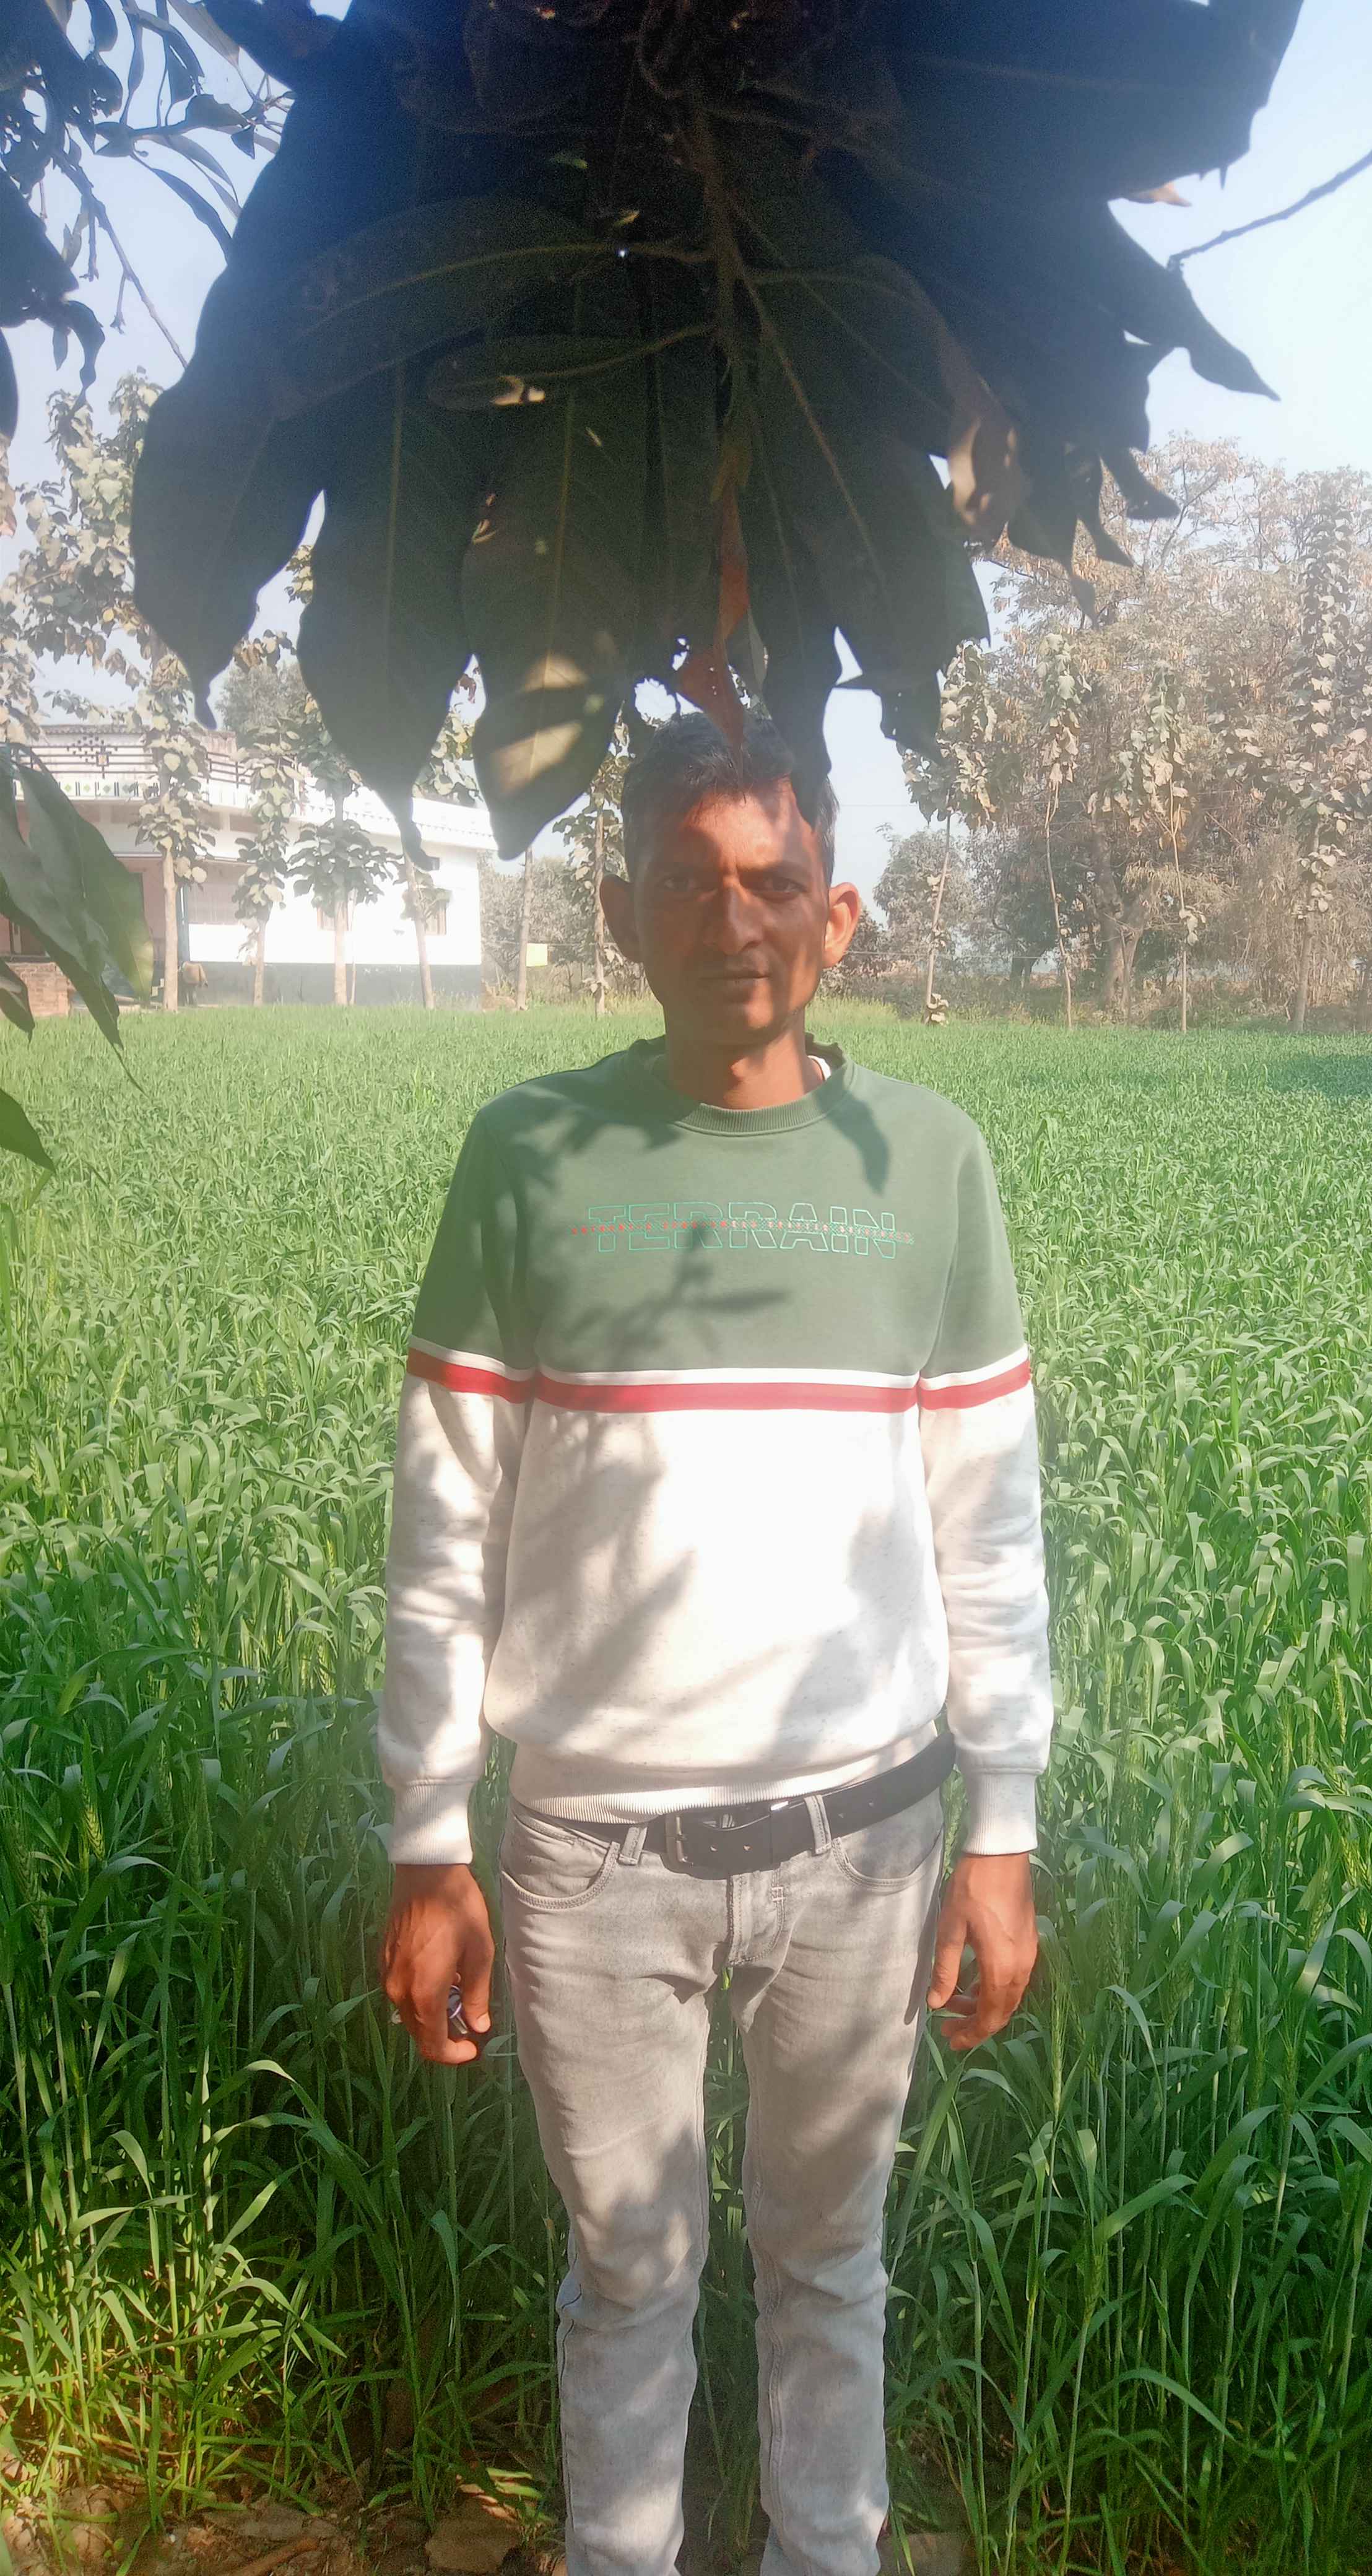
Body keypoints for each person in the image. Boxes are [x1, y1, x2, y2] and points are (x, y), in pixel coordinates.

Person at [376, 713, 1053, 2576]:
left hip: (865, 1842)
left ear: (838, 915)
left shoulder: (929, 1162)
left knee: (830, 2267)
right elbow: (443, 1518)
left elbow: (988, 1520)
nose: (732, 920)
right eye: (687, 881)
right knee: (627, 2274)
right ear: (621, 914)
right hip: (591, 1854)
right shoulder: (528, 1154)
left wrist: (1001, 1826)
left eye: (772, 882)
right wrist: (428, 1837)